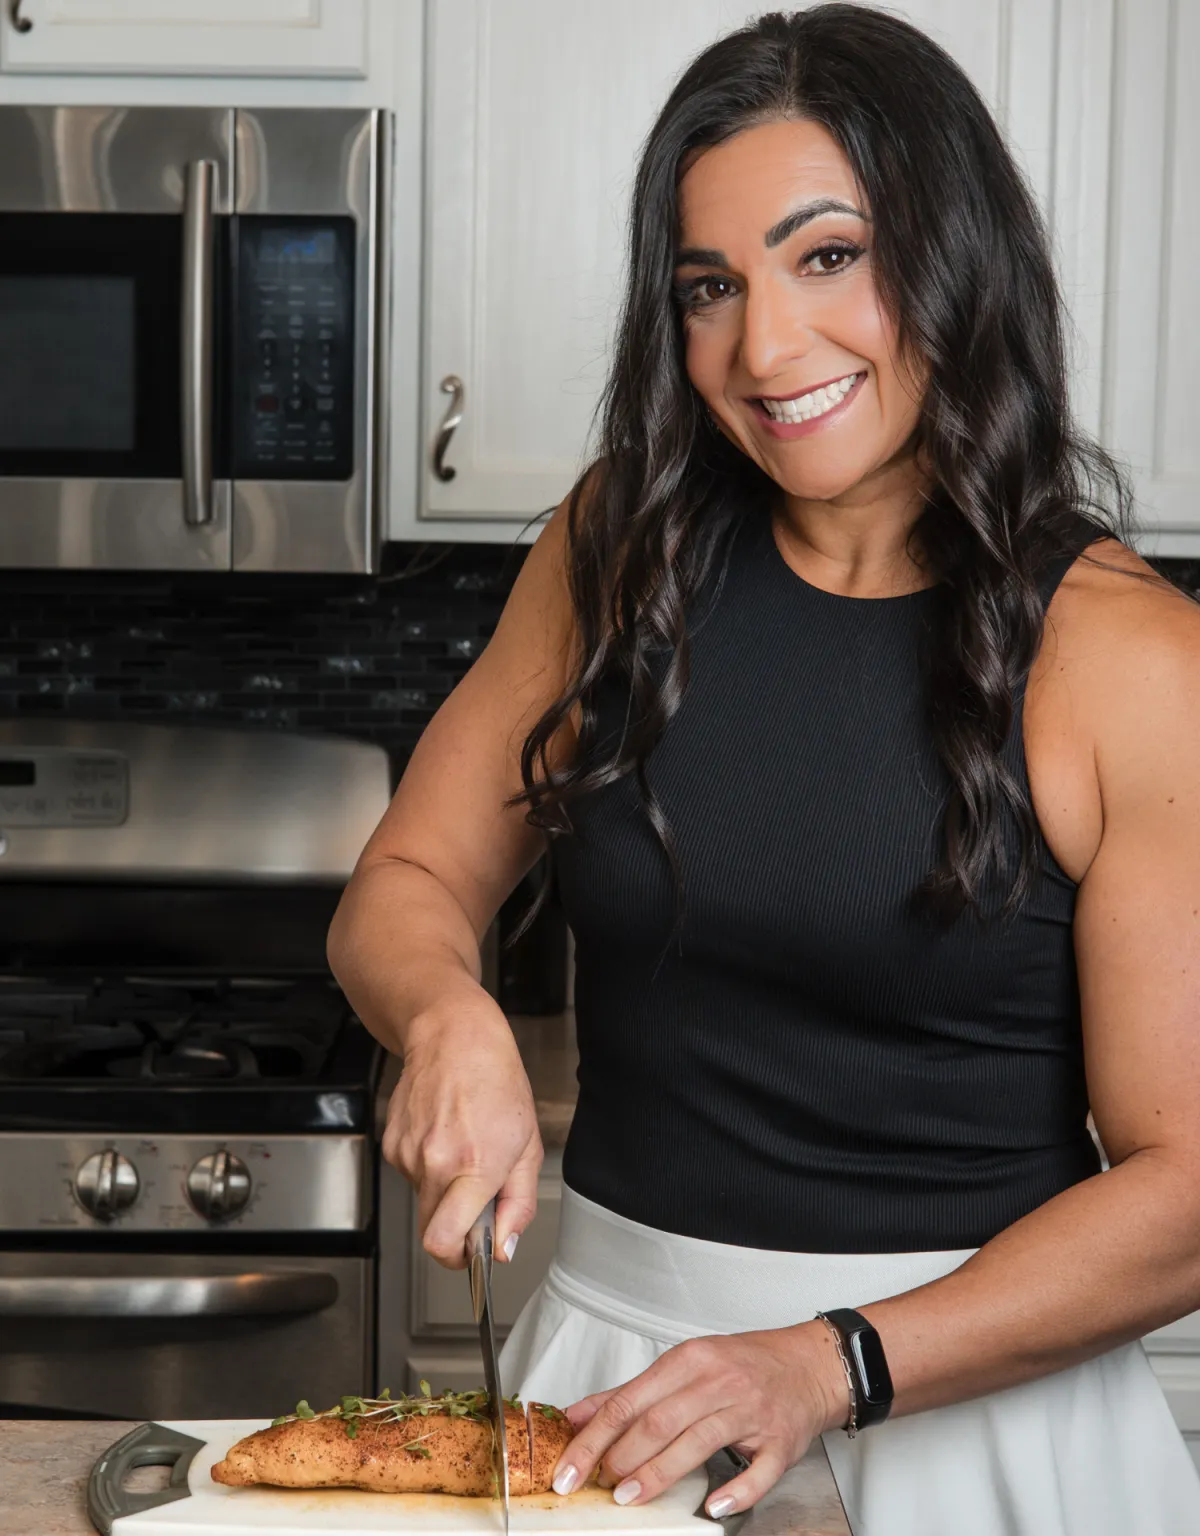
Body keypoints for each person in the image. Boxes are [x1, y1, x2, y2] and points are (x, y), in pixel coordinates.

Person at [327, 7, 1200, 1533]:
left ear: (954, 255)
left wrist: (828, 1366)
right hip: (614, 1386)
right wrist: (444, 1008)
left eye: (828, 257)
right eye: (708, 287)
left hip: (973, 1419)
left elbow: (1189, 1183)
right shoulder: (620, 550)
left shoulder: (1127, 660)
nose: (765, 349)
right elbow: (403, 881)